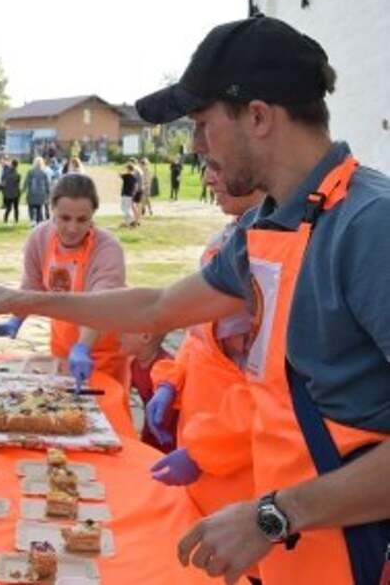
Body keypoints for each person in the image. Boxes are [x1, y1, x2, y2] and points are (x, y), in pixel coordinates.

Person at [0, 15, 390, 585]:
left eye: (203, 124)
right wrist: (21, 298)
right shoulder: (270, 224)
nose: (195, 147)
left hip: (357, 551)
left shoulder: (370, 226)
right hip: (300, 551)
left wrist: (275, 515)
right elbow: (155, 308)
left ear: (258, 116)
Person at [147, 164, 265, 585]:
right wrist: (169, 382)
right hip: (202, 470)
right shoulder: (224, 243)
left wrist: (202, 452)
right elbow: (199, 338)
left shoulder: (272, 263)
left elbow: (272, 395)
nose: (209, 178)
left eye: (218, 166)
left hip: (243, 476)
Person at [0, 173, 128, 393]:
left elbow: (102, 304)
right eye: (64, 218)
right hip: (61, 346)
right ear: (52, 209)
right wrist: (17, 318)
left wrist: (84, 346)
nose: (72, 228)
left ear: (93, 215)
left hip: (102, 351)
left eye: (82, 220)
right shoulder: (40, 237)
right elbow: (32, 285)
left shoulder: (107, 248)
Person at [119, 332, 176, 452]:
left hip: (169, 441)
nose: (119, 335)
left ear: (145, 336)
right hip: (150, 435)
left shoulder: (165, 366)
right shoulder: (134, 362)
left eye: (124, 330)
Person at [23, 156, 50, 226]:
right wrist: (48, 193)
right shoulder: (44, 173)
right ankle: (39, 221)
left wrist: (23, 190)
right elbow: (47, 184)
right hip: (41, 193)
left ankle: (32, 220)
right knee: (39, 208)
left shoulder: (30, 172)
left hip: (32, 192)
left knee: (31, 207)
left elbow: (26, 182)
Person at [2, 158, 21, 224]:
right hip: (16, 193)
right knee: (16, 208)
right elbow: (18, 184)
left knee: (8, 208)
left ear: (12, 164)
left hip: (8, 193)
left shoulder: (6, 172)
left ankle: (5, 220)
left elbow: (3, 182)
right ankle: (16, 221)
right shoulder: (17, 174)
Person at [119, 162, 137, 227]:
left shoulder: (126, 176)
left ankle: (132, 221)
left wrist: (123, 167)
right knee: (125, 208)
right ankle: (127, 222)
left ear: (128, 169)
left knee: (125, 209)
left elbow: (119, 174)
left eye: (127, 168)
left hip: (126, 194)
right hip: (130, 194)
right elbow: (135, 186)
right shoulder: (134, 177)